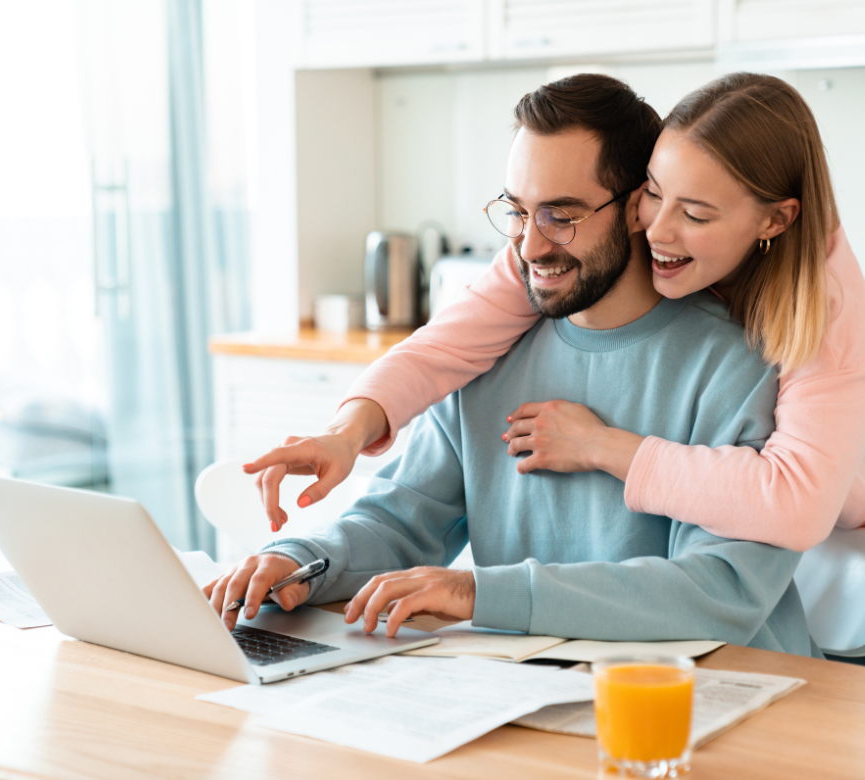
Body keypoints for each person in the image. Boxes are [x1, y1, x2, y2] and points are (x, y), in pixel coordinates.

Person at [207, 75, 815, 658]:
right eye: (518, 211)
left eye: (562, 215)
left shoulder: (741, 364)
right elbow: (400, 520)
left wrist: (479, 592)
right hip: (541, 686)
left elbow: (717, 591)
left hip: (726, 696)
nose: (529, 246)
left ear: (638, 209)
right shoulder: (490, 347)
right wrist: (300, 561)